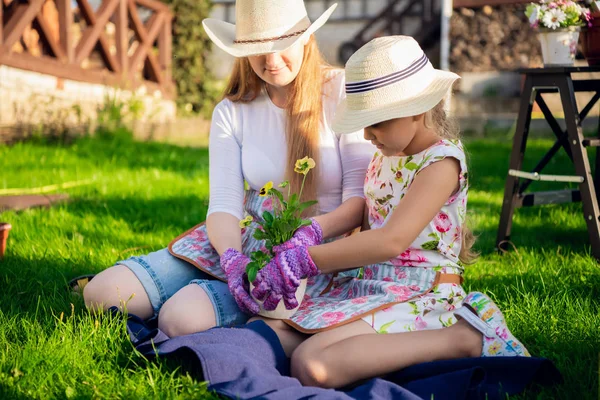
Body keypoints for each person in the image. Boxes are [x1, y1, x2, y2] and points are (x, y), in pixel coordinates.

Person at [240, 36, 531, 389]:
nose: (367, 134)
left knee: (312, 365)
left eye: (377, 123)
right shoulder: (385, 155)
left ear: (416, 109)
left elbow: (391, 240)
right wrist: (312, 231)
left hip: (420, 292)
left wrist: (307, 260)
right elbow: (367, 218)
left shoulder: (441, 163)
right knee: (266, 333)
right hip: (372, 284)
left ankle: (463, 337)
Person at [82, 0, 376, 338]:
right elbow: (223, 203)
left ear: (307, 38)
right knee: (101, 295)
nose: (271, 60)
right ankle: (213, 288)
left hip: (315, 253)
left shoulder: (340, 92)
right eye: (258, 49)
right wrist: (233, 259)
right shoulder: (233, 109)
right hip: (245, 235)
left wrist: (307, 237)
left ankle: (203, 303)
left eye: (283, 45)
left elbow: (358, 202)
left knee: (179, 321)